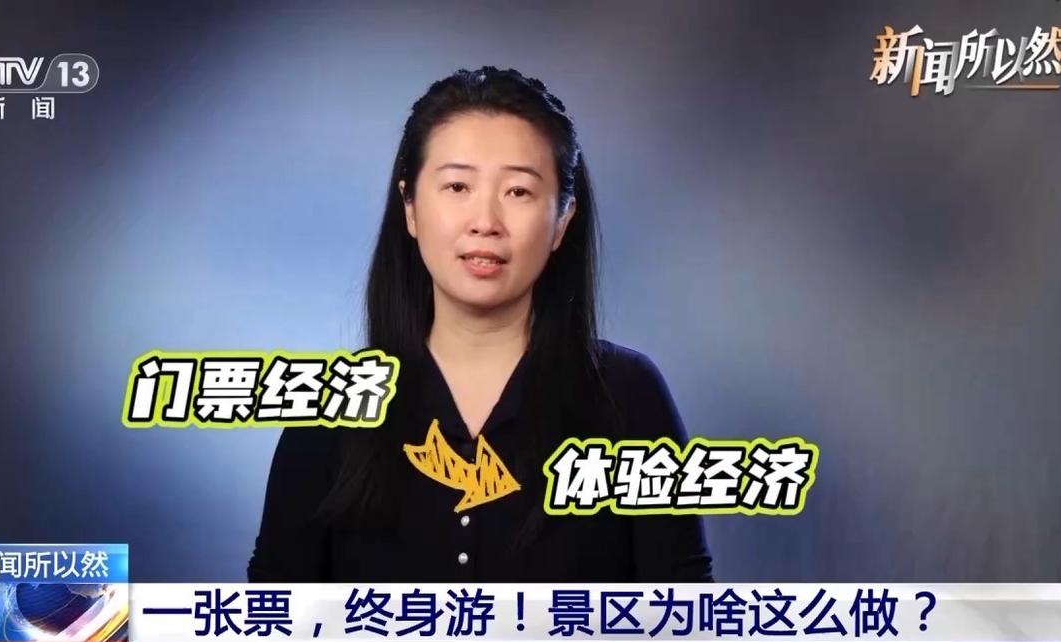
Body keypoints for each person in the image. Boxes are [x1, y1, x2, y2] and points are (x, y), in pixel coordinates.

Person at [248, 66, 713, 582]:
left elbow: (684, 607)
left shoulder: (627, 396)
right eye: (457, 186)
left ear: (562, 220)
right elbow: (272, 608)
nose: (485, 221)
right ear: (410, 208)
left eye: (518, 192)